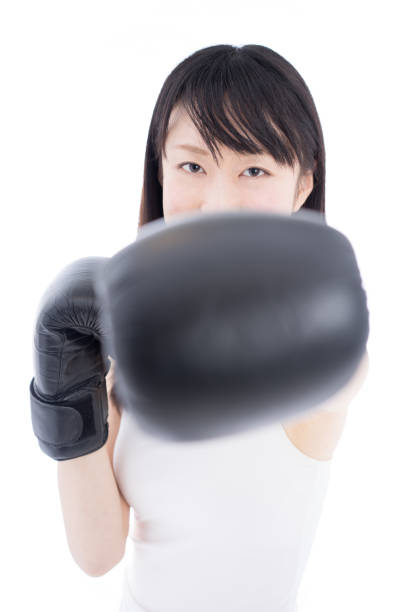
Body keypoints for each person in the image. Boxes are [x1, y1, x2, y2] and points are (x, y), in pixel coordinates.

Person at [38, 44, 369, 611]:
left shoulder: (325, 349)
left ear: (302, 185)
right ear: (160, 171)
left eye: (254, 169)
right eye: (192, 165)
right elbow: (97, 554)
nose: (218, 202)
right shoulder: (124, 339)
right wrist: (61, 386)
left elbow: (339, 371)